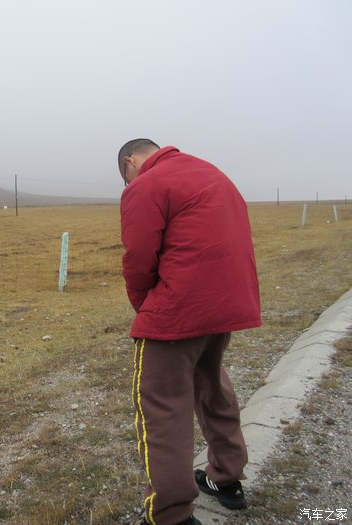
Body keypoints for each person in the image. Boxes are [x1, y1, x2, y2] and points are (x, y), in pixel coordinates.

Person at [118, 139, 261, 525]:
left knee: (162, 407)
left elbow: (138, 257)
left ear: (131, 161)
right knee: (212, 386)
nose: (128, 184)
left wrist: (147, 309)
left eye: (126, 177)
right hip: (225, 306)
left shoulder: (147, 184)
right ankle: (227, 477)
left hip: (178, 309)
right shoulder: (213, 173)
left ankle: (172, 513)